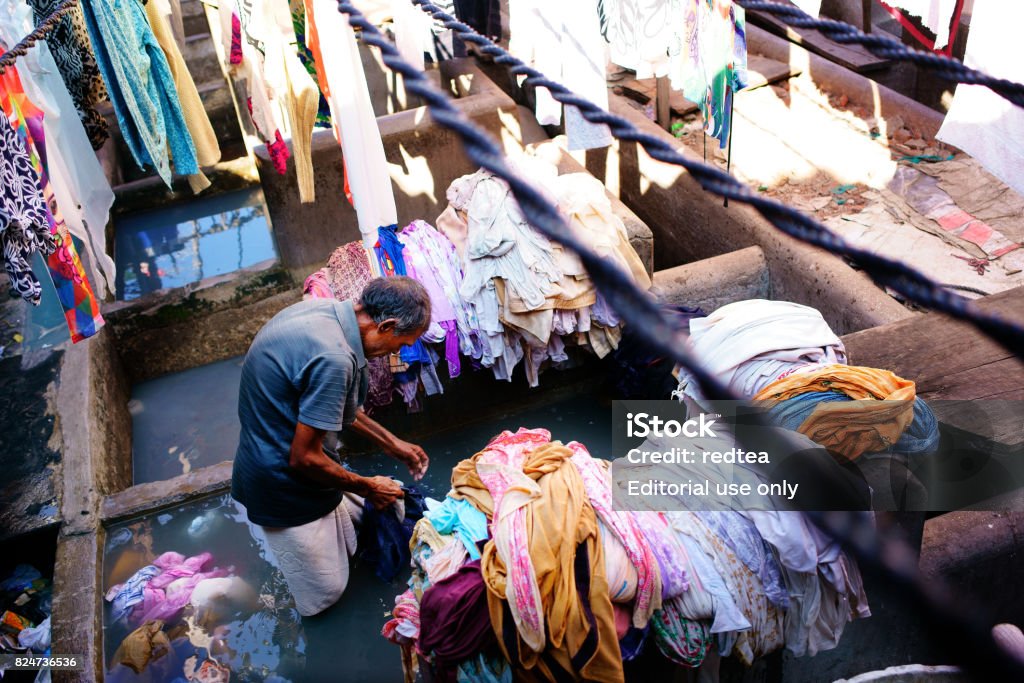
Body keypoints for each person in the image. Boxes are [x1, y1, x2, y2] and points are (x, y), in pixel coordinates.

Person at [231, 276, 432, 616]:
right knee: (325, 594)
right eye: (400, 343)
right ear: (386, 325)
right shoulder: (334, 358)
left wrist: (392, 443)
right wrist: (368, 487)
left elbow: (335, 405)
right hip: (282, 482)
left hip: (274, 454)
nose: (395, 353)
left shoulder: (327, 314)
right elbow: (303, 457)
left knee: (382, 511)